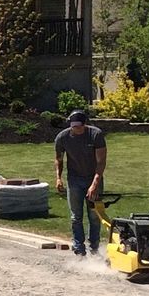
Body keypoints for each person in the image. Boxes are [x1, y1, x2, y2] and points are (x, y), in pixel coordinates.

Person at [54, 108, 107, 256]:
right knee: (76, 217)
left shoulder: (95, 135)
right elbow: (59, 159)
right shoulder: (62, 137)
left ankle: (94, 249)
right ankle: (79, 248)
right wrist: (58, 178)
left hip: (93, 177)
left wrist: (95, 184)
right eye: (74, 126)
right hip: (74, 180)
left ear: (85, 124)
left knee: (94, 215)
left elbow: (101, 162)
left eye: (79, 126)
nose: (77, 129)